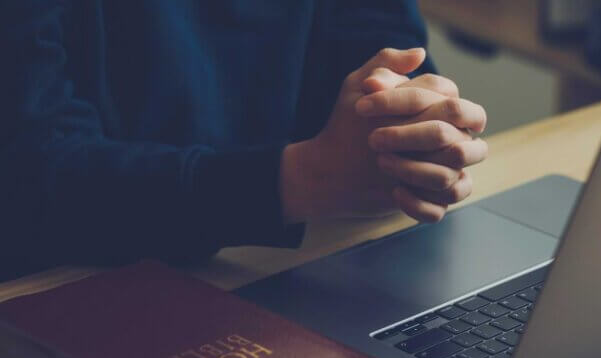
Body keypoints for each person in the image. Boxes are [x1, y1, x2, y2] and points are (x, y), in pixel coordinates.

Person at [0, 1, 487, 281]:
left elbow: (380, 48)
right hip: (65, 297)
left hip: (275, 275)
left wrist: (410, 124)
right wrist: (300, 181)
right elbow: (29, 178)